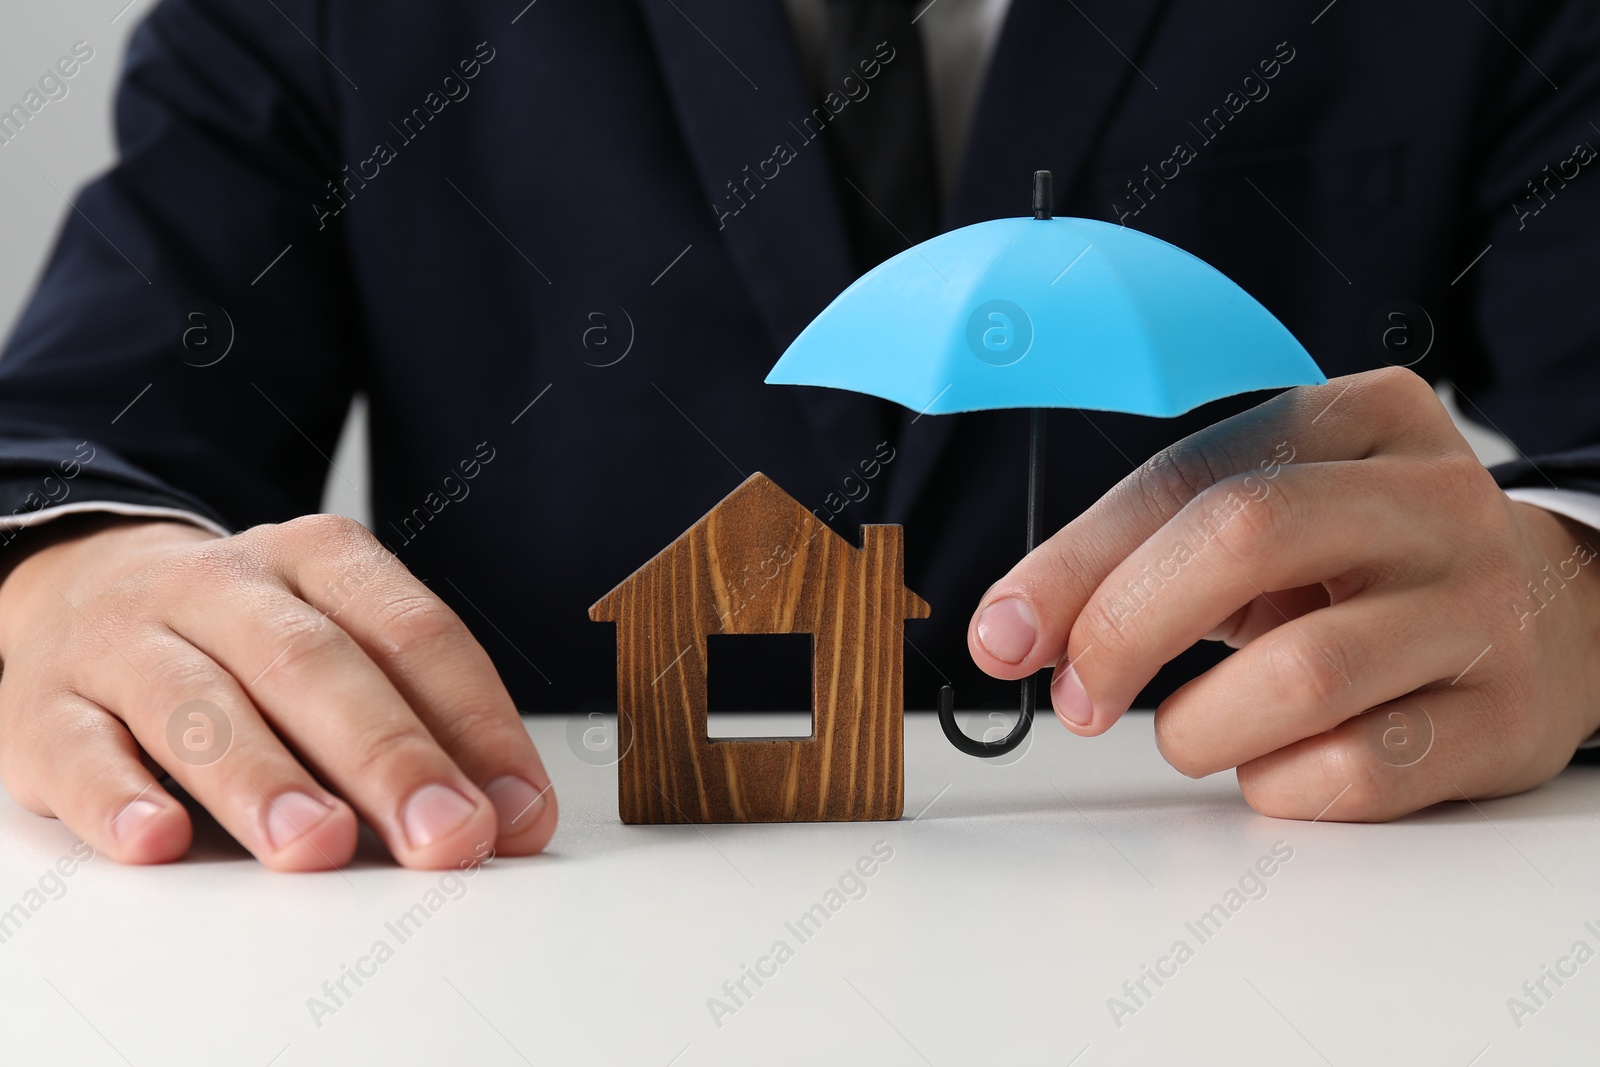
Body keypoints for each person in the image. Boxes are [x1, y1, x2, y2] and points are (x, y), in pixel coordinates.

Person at [0, 0, 1596, 871]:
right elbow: (74, 437)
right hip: (548, 945)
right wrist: (77, 575)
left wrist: (1575, 595)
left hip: (1248, 909)